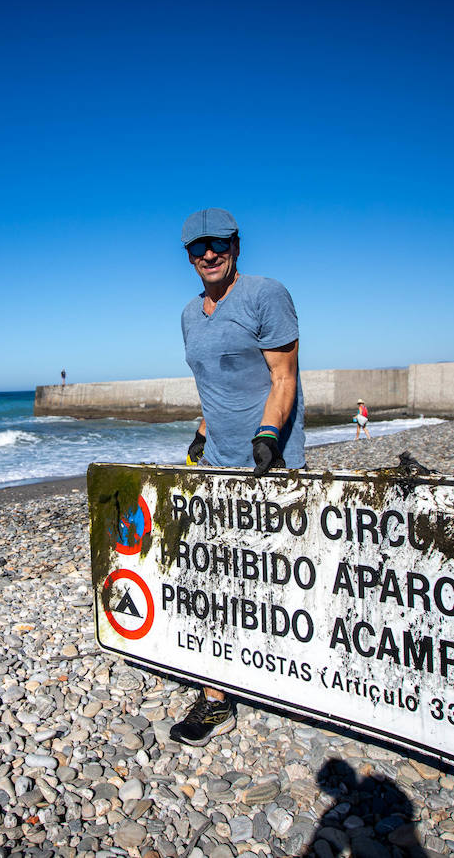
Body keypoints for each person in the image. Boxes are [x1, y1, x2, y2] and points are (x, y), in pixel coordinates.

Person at [170, 207, 306, 747]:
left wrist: (268, 438)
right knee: (212, 573)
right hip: (217, 461)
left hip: (268, 458)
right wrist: (201, 436)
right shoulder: (187, 314)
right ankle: (217, 697)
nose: (208, 255)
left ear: (236, 245)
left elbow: (284, 376)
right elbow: (213, 385)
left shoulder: (265, 295)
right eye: (196, 248)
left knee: (272, 573)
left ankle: (286, 674)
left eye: (218, 244)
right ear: (187, 256)